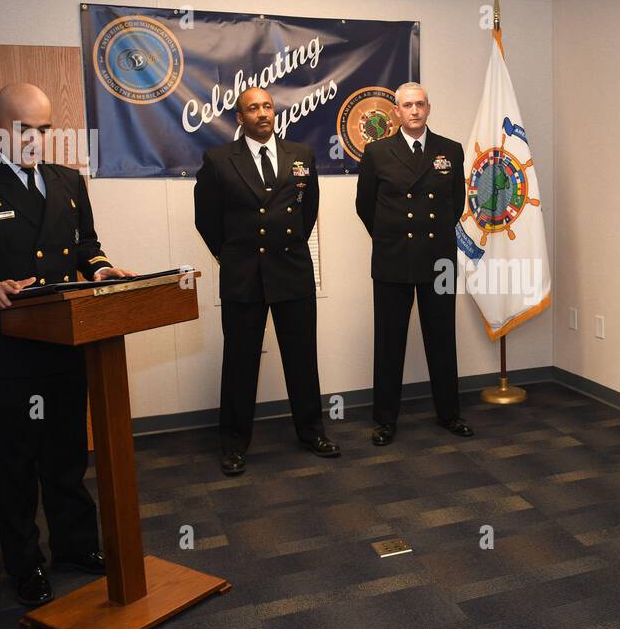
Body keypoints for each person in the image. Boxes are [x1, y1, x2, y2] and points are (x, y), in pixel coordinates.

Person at [0, 83, 134, 605]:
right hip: (12, 353)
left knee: (67, 457)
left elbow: (86, 246)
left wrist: (103, 268)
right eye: (24, 129)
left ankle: (75, 545)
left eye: (44, 129)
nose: (35, 139)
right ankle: (25, 565)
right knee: (18, 466)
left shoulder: (68, 181)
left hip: (66, 343)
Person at [194, 87, 338, 477]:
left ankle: (312, 432)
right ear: (239, 118)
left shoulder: (301, 156)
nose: (262, 113)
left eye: (267, 106)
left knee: (302, 357)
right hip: (243, 276)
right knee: (239, 363)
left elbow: (308, 213)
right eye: (253, 108)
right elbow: (206, 219)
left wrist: (283, 245)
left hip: (291, 270)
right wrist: (233, 255)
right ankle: (235, 445)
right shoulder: (219, 160)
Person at [355, 82, 472, 446]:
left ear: (428, 107)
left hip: (438, 260)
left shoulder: (449, 149)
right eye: (407, 105)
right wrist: (391, 236)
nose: (415, 111)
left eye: (420, 104)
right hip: (393, 259)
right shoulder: (377, 152)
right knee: (389, 341)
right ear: (396, 113)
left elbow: (456, 202)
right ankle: (385, 420)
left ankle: (449, 414)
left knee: (442, 338)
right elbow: (365, 205)